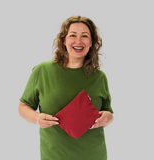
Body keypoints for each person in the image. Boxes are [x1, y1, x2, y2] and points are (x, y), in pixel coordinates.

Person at [19, 15, 114, 160]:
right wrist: (37, 118)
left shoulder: (99, 77)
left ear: (91, 42)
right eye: (73, 35)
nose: (78, 41)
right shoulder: (42, 71)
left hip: (94, 155)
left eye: (84, 36)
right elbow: (24, 106)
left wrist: (108, 117)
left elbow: (107, 111)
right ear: (64, 40)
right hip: (54, 155)